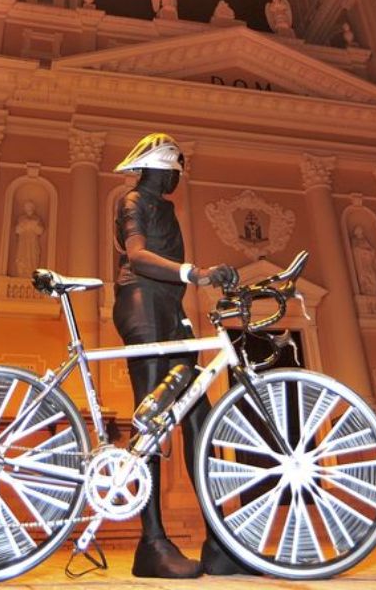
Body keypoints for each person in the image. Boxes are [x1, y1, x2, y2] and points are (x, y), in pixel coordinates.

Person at [113, 132, 243, 579]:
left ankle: (220, 541)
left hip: (170, 307)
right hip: (141, 303)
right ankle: (151, 543)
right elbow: (138, 255)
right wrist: (194, 272)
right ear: (153, 167)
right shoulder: (133, 200)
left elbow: (173, 272)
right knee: (149, 419)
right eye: (172, 170)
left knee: (198, 419)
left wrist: (193, 289)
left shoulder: (166, 208)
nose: (175, 178)